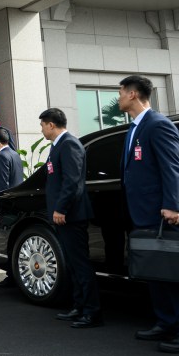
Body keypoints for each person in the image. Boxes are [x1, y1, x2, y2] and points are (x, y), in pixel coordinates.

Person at [117, 75, 179, 353]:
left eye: (120, 92)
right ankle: (166, 322)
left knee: (175, 272)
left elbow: (172, 168)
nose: (117, 97)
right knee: (155, 272)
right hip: (143, 212)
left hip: (163, 212)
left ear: (133, 94)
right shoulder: (134, 128)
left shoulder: (157, 124)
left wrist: (173, 205)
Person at [40, 107, 101, 328]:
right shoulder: (57, 146)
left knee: (80, 264)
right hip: (63, 216)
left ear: (51, 125)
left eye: (42, 125)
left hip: (71, 215)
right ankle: (78, 306)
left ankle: (92, 311)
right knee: (72, 265)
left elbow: (72, 181)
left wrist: (61, 209)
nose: (42, 130)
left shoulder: (69, 144)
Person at [0, 127, 24, 195]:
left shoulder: (1, 156)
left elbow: (2, 182)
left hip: (7, 199)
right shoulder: (15, 154)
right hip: (17, 195)